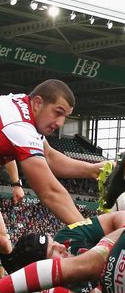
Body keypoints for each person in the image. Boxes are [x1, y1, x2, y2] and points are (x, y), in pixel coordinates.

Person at [0, 80, 106, 225]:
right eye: (57, 113)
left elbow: (49, 156)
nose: (60, 123)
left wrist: (93, 170)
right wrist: (91, 232)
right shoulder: (20, 126)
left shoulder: (24, 107)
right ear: (38, 103)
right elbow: (50, 192)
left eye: (64, 116)